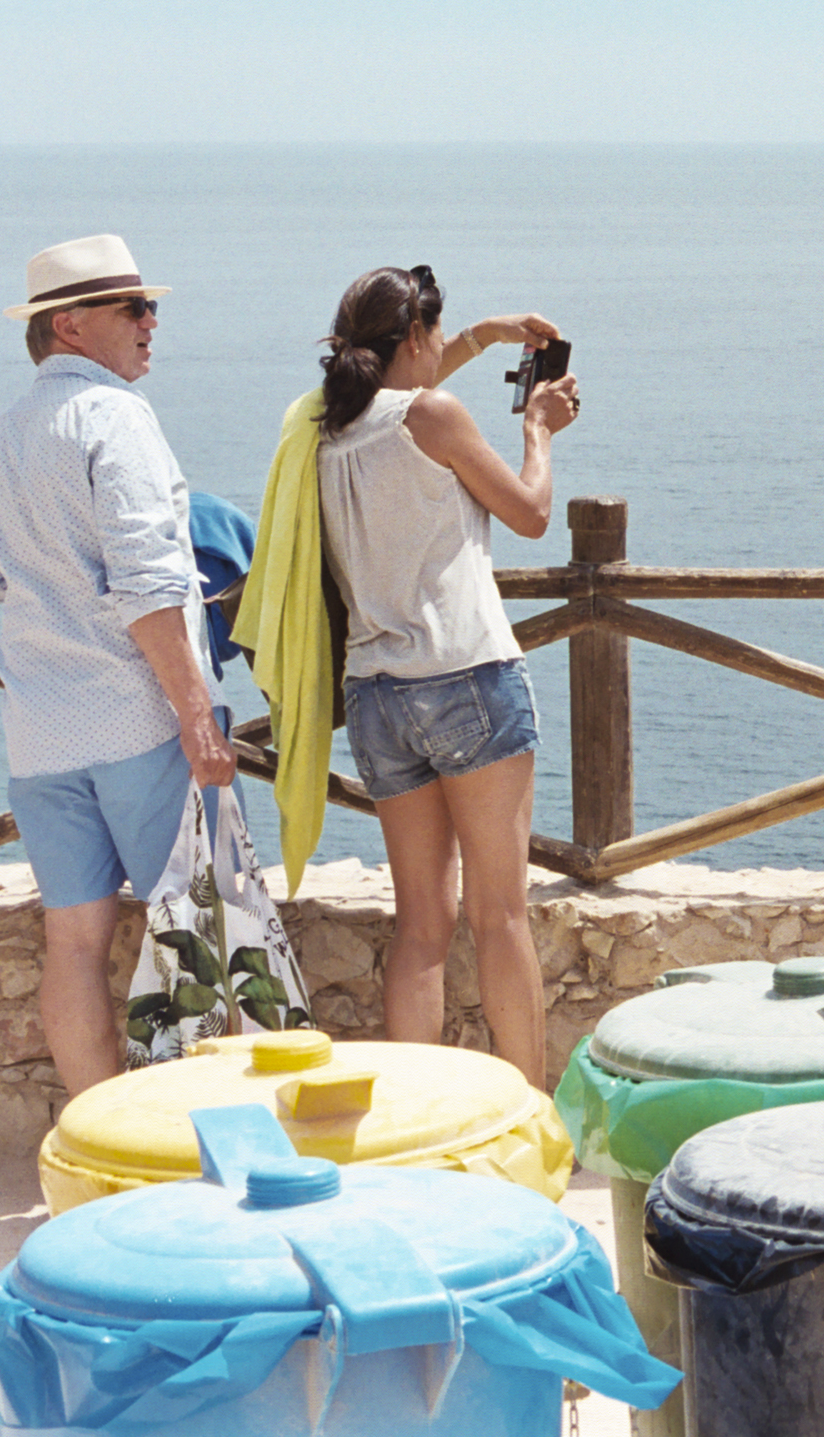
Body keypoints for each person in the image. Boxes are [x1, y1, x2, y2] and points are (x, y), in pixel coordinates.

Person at [0, 236, 234, 1093]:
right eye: (134, 308)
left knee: (72, 944)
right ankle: (188, 1141)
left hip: (41, 731)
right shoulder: (116, 418)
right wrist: (193, 715)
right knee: (190, 930)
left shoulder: (4, 433)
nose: (153, 321)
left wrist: (49, 570)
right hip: (139, 720)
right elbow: (148, 583)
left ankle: (96, 1138)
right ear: (69, 325)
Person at [312, 265, 577, 1085]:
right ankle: (525, 1115)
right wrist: (538, 429)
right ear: (416, 339)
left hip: (376, 696)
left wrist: (483, 335)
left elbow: (405, 395)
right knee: (500, 918)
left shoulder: (327, 428)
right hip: (463, 674)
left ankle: (418, 1127)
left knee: (422, 924)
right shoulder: (434, 415)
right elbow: (530, 513)